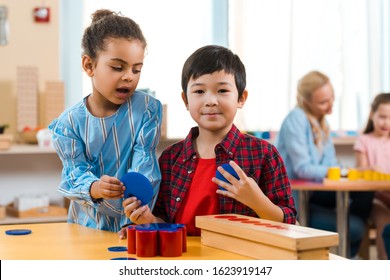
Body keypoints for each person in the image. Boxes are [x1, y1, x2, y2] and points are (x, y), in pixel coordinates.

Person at [119, 45, 296, 238]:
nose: (211, 100)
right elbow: (164, 222)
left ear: (241, 97)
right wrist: (148, 221)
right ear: (186, 100)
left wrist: (257, 201)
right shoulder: (171, 158)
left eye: (222, 90)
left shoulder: (263, 153)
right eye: (199, 91)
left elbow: (290, 223)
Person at [49, 9, 162, 232]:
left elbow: (144, 167)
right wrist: (95, 187)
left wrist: (136, 219)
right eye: (117, 67)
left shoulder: (147, 110)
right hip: (84, 228)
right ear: (89, 65)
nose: (129, 76)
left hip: (133, 224)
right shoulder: (68, 124)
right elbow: (74, 174)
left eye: (136, 69)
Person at [275, 70, 374, 258]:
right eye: (323, 102)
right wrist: (341, 171)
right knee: (356, 228)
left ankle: (344, 252)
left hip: (315, 194)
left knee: (365, 192)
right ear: (307, 102)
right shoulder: (297, 119)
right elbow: (303, 169)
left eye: (332, 99)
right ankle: (344, 250)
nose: (330, 107)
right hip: (297, 200)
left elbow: (331, 163)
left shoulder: (321, 123)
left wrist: (346, 171)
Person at [354, 93, 390, 259]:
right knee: (384, 222)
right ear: (372, 114)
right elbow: (361, 171)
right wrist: (370, 169)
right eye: (382, 117)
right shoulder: (364, 140)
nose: (386, 122)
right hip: (376, 198)